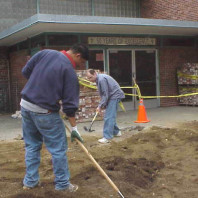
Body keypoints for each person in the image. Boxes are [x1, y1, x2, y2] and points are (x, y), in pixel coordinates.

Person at [20, 43, 89, 192]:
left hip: (25, 106)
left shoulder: (45, 53)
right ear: (77, 55)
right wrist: (74, 128)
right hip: (45, 112)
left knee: (32, 145)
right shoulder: (69, 71)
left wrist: (40, 85)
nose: (80, 66)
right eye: (82, 62)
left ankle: (30, 182)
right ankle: (63, 185)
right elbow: (70, 106)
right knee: (58, 149)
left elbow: (26, 71)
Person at [86, 69, 125, 143]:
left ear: (94, 73)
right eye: (88, 78)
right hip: (112, 96)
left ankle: (107, 137)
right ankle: (116, 132)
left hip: (114, 96)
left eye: (90, 77)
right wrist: (102, 105)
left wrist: (100, 106)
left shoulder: (101, 80)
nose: (90, 80)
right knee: (110, 115)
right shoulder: (98, 79)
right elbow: (105, 94)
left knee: (108, 116)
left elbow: (105, 94)